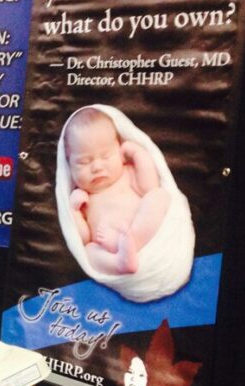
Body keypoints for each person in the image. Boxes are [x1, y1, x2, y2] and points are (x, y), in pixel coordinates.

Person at [63, 108, 170, 275]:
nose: (97, 167)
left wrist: (138, 154)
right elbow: (83, 239)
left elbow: (150, 186)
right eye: (83, 162)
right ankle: (119, 263)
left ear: (120, 153)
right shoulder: (83, 197)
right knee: (89, 251)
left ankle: (131, 241)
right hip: (108, 248)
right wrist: (75, 213)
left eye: (105, 156)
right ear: (69, 165)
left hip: (142, 231)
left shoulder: (127, 173)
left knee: (158, 196)